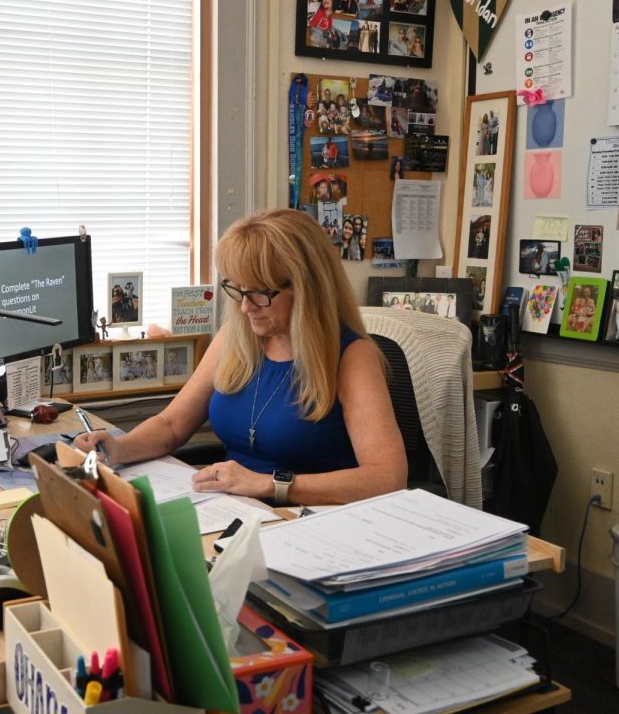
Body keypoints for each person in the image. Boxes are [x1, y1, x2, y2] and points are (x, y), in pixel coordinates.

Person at [74, 209, 407, 505]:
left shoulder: (352, 356)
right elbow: (172, 425)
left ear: (307, 289)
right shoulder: (236, 338)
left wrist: (268, 484)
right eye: (238, 290)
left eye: (259, 293)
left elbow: (386, 478)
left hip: (309, 519)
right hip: (235, 508)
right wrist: (120, 448)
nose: (245, 307)